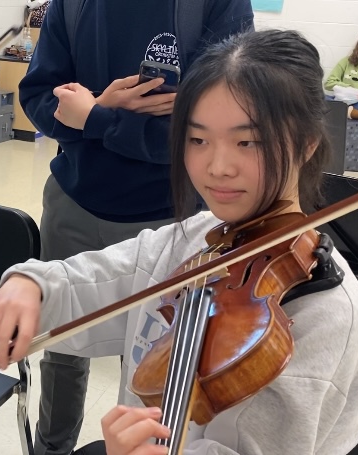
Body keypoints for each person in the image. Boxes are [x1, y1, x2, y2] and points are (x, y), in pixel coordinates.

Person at [0, 29, 358, 454]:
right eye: (197, 139)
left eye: (248, 142)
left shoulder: (326, 315)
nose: (217, 167)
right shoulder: (195, 238)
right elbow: (93, 281)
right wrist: (33, 285)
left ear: (308, 143)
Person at [17, 0, 254, 453]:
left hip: (169, 221)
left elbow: (203, 137)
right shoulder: (72, 5)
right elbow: (40, 98)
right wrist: (98, 110)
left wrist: (95, 117)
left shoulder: (217, 5)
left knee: (150, 359)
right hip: (74, 204)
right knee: (61, 350)